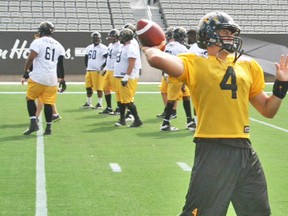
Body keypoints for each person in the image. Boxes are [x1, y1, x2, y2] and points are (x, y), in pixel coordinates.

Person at [143, 11, 288, 215]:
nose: (231, 37)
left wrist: (281, 87)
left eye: (232, 33)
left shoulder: (248, 65)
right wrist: (151, 49)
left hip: (244, 149)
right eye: (225, 32)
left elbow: (268, 110)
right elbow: (157, 60)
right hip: (213, 148)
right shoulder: (195, 62)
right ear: (209, 34)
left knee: (259, 212)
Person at [21, 21, 66, 135]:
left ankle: (33, 124)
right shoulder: (59, 45)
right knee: (48, 103)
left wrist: (26, 71)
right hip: (52, 79)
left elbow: (31, 58)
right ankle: (49, 128)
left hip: (38, 77)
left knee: (30, 98)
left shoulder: (38, 42)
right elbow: (60, 65)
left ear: (41, 30)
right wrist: (62, 80)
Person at [159, 27, 195, 132]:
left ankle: (189, 121)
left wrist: (165, 74)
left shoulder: (169, 46)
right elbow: (184, 64)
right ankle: (165, 123)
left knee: (186, 96)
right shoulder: (181, 48)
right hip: (178, 76)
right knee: (172, 100)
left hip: (171, 75)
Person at [113, 28, 143, 128]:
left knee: (128, 100)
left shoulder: (131, 47)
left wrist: (126, 76)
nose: (119, 38)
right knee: (120, 100)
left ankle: (137, 120)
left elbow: (131, 62)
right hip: (118, 76)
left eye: (121, 36)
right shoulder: (123, 47)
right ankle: (122, 120)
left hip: (125, 77)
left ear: (126, 37)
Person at [80, 31, 108, 110]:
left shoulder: (103, 48)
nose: (96, 39)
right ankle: (89, 103)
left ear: (100, 39)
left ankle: (100, 103)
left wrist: (103, 67)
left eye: (97, 38)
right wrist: (87, 67)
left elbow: (107, 58)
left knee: (99, 88)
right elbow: (86, 58)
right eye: (94, 38)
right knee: (88, 87)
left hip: (97, 71)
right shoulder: (89, 47)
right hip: (89, 70)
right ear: (92, 39)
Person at [99, 29, 121, 114]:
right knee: (105, 88)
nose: (110, 38)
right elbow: (109, 57)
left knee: (117, 90)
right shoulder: (110, 45)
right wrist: (105, 67)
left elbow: (119, 58)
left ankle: (119, 108)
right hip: (109, 69)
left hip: (115, 70)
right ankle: (109, 107)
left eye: (112, 36)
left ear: (116, 37)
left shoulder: (119, 46)